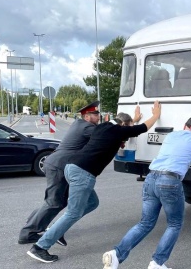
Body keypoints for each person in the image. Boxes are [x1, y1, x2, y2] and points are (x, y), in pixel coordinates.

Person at [26, 101, 161, 263]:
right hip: (83, 173)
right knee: (73, 213)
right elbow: (141, 129)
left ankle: (57, 229)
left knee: (92, 203)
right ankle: (40, 247)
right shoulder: (117, 131)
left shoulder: (103, 127)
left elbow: (128, 130)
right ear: (124, 124)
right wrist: (155, 115)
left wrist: (134, 119)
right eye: (128, 125)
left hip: (72, 168)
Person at [102, 117, 191, 269]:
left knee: (145, 223)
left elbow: (183, 148)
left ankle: (116, 254)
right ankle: (157, 263)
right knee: (174, 224)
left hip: (151, 178)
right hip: (170, 181)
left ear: (185, 126)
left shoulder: (172, 136)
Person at [18, 101, 103, 245]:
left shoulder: (78, 124)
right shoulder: (86, 127)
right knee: (54, 202)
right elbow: (106, 134)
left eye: (98, 113)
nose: (98, 116)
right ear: (87, 116)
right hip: (59, 166)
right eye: (95, 114)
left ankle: (48, 227)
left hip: (63, 166)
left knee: (85, 201)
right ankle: (28, 233)